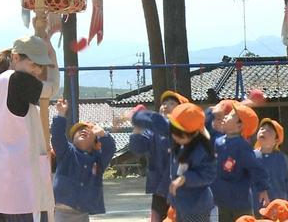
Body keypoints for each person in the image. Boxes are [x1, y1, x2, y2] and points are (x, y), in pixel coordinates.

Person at [0, 35, 59, 222]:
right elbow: (52, 88)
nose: (37, 70)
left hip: (0, 184)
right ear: (16, 58)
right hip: (23, 187)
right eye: (34, 64)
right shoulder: (18, 80)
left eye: (41, 66)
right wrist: (53, 55)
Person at [51, 98, 115, 221]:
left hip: (83, 213)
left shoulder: (97, 160)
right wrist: (61, 114)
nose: (83, 130)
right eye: (79, 130)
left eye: (88, 130)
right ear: (72, 139)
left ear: (95, 143)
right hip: (61, 211)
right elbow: (57, 136)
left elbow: (109, 150)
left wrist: (102, 134)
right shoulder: (67, 152)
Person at [129, 91, 189, 222]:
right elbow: (138, 148)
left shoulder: (185, 132)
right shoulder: (153, 131)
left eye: (172, 103)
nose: (165, 106)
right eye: (164, 103)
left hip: (179, 188)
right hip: (159, 188)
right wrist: (138, 128)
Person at [210, 101, 270, 222]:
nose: (225, 116)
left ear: (239, 126)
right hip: (219, 198)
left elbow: (255, 167)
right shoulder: (218, 141)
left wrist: (262, 188)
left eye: (231, 115)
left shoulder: (242, 146)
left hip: (238, 202)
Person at [252, 119, 288, 215]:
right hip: (255, 204)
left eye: (269, 130)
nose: (263, 131)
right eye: (261, 129)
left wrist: (285, 200)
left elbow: (286, 181)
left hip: (276, 204)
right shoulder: (251, 156)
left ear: (276, 140)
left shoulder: (281, 158)